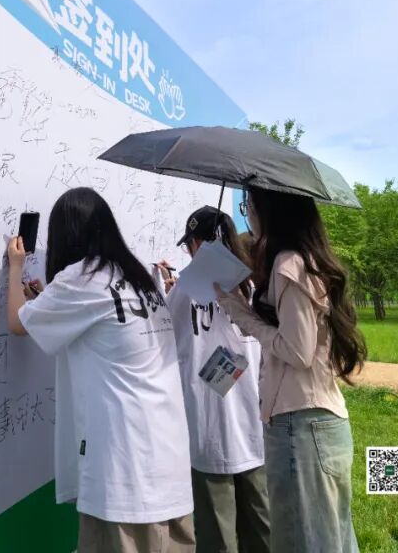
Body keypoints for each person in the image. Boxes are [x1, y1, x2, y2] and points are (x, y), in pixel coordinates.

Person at [6, 187, 195, 553]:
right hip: (166, 464)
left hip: (125, 472)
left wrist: (15, 268)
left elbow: (16, 323)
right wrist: (46, 301)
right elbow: (109, 331)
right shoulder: (138, 277)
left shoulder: (81, 279)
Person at [214, 188, 367, 553]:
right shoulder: (304, 261)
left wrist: (241, 313)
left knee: (305, 541)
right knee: (329, 539)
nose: (248, 215)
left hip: (300, 425)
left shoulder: (289, 264)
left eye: (249, 206)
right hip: (314, 422)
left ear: (270, 210)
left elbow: (297, 352)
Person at [156, 207, 271, 553]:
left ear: (197, 244)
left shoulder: (184, 291)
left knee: (217, 537)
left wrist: (170, 291)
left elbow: (163, 340)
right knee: (264, 530)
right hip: (255, 428)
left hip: (208, 433)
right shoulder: (255, 285)